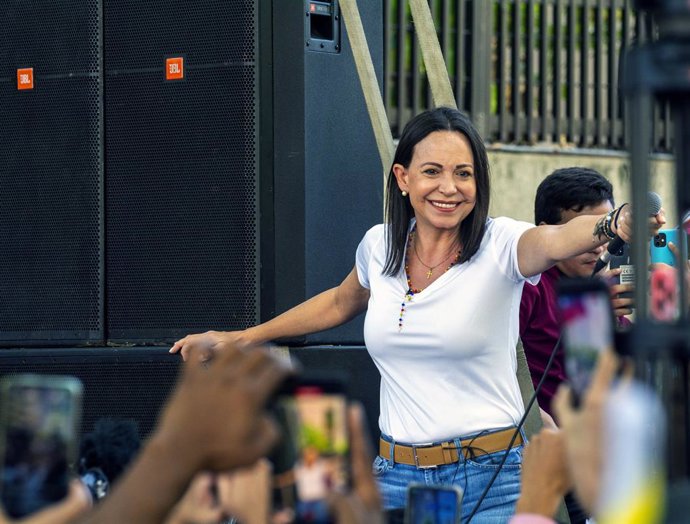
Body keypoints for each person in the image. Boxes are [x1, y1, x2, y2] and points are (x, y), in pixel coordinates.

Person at [170, 107, 651, 521]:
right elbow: (339, 303)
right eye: (433, 171)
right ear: (403, 178)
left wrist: (614, 222)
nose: (449, 187)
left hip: (496, 478)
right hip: (396, 477)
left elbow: (556, 238)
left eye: (464, 173)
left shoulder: (502, 243)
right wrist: (240, 337)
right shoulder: (378, 246)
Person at [519, 167, 642, 418]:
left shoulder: (608, 288)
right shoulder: (529, 286)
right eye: (588, 234)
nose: (598, 247)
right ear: (547, 231)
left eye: (607, 233)